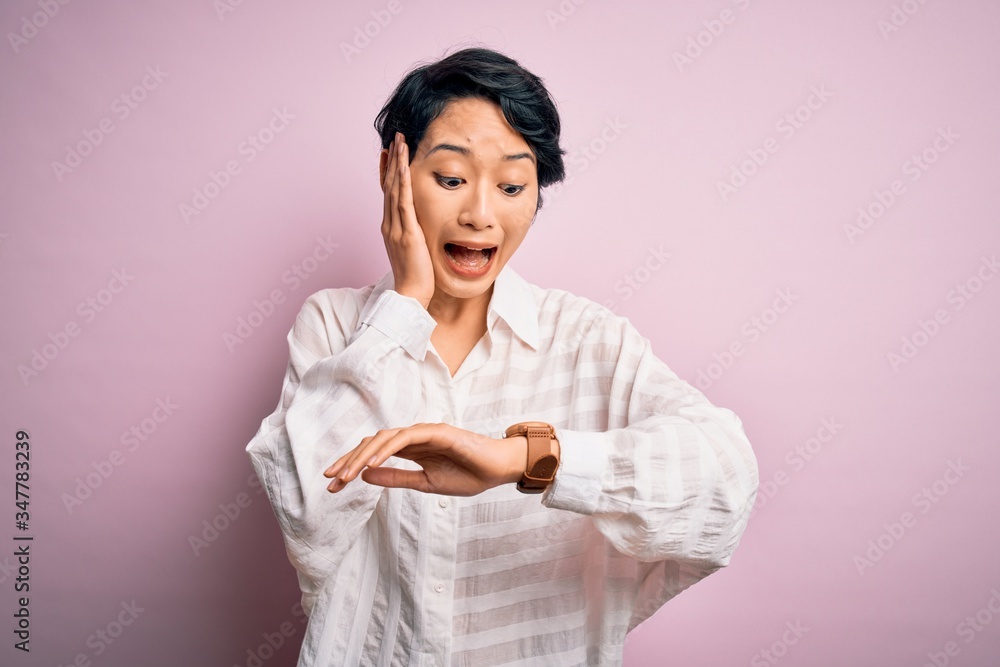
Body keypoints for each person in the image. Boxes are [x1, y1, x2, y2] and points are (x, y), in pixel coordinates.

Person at [246, 46, 758, 667]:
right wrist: (405, 302)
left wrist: (525, 459)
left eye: (513, 185)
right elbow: (307, 517)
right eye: (451, 179)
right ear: (394, 172)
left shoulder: (588, 339)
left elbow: (725, 477)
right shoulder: (335, 325)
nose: (480, 214)